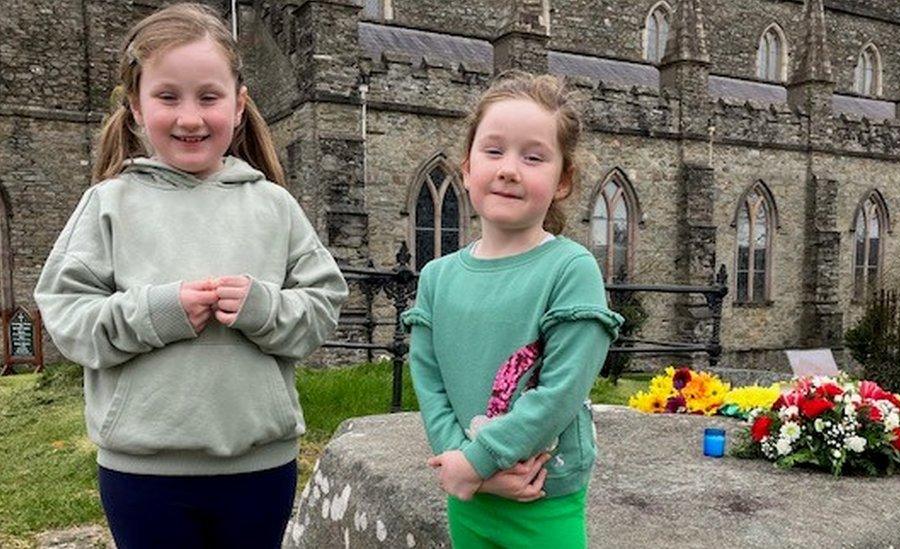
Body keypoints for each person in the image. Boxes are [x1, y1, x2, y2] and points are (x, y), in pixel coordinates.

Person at [33, 4, 348, 548]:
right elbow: (66, 316)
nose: (190, 117)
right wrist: (157, 313)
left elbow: (324, 304)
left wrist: (263, 309)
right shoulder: (108, 203)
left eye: (209, 96)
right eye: (167, 96)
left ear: (240, 103)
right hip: (142, 473)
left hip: (261, 467)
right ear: (135, 106)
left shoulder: (274, 205)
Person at [402, 71, 623, 548]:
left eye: (533, 156)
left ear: (563, 181)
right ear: (466, 167)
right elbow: (429, 379)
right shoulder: (437, 278)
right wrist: (462, 464)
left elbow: (560, 392)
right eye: (494, 150)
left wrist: (477, 464)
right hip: (469, 494)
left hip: (543, 495)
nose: (508, 168)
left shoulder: (570, 269)